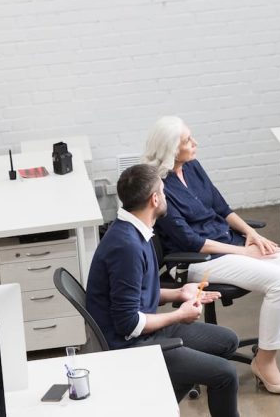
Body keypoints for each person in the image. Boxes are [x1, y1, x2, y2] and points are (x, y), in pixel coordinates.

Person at [146, 117, 280, 396]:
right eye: (187, 141)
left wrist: (251, 235)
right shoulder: (160, 187)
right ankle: (265, 362)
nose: (195, 143)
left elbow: (221, 207)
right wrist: (244, 251)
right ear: (171, 149)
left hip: (227, 245)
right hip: (196, 261)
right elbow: (190, 241)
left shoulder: (193, 167)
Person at [85, 164, 240, 417]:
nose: (166, 197)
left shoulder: (134, 230)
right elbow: (128, 324)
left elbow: (137, 293)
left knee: (227, 341)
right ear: (154, 199)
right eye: (164, 192)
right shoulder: (127, 247)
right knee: (225, 374)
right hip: (132, 344)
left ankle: (159, 406)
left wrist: (179, 294)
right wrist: (180, 315)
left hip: (147, 330)